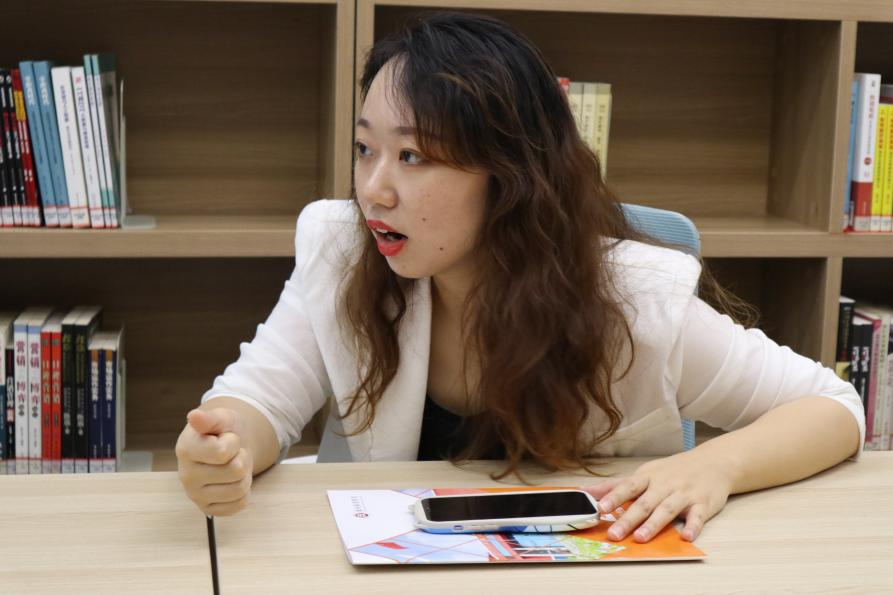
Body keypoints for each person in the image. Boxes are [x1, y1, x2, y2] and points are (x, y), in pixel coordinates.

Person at [176, 11, 864, 544]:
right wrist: (225, 445)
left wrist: (716, 465)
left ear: (510, 177)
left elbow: (832, 407)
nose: (373, 191)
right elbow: (257, 403)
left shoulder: (630, 301)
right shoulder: (342, 251)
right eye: (364, 149)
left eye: (412, 156)